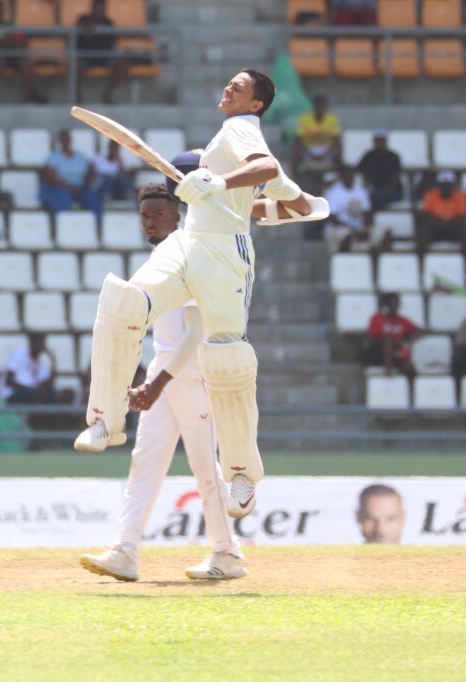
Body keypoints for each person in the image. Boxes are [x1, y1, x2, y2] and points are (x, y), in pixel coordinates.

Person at [73, 68, 327, 521]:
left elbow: (267, 169)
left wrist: (222, 185)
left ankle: (243, 476)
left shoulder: (241, 129)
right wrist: (286, 204)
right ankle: (104, 421)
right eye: (229, 83)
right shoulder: (223, 142)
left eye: (240, 87)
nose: (228, 88)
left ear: (255, 105)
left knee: (227, 359)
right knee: (125, 303)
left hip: (226, 258)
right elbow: (294, 202)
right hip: (190, 244)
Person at [79, 184, 244, 582]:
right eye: (144, 216)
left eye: (157, 214)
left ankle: (227, 554)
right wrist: (146, 378)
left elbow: (194, 331)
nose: (149, 222)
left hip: (192, 373)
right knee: (145, 462)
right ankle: (126, 551)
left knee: (205, 467)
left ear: (177, 216)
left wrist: (160, 382)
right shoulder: (158, 258)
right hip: (164, 369)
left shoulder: (189, 256)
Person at [0, 0, 41, 103]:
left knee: (25, 62)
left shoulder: (12, 24)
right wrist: (7, 40)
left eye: (0, 9)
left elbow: (20, 40)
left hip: (10, 54)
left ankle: (27, 98)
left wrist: (8, 41)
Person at [38, 130, 101, 219]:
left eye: (68, 140)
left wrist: (84, 185)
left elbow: (90, 171)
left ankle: (97, 227)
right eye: (63, 140)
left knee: (93, 198)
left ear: (71, 141)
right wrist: (69, 188)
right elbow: (51, 178)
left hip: (79, 188)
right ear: (60, 142)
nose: (66, 142)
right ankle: (60, 226)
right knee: (62, 199)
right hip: (60, 188)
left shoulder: (80, 157)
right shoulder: (54, 157)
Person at [75, 0, 128, 104]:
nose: (100, 12)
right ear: (92, 9)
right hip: (86, 58)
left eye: (102, 9)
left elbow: (112, 44)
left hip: (104, 57)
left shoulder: (109, 23)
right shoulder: (83, 20)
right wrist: (87, 28)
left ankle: (107, 95)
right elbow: (76, 40)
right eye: (98, 9)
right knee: (76, 64)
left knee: (122, 64)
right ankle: (78, 97)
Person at [292, 94, 342, 195]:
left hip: (326, 149)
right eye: (318, 106)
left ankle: (338, 182)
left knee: (339, 154)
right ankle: (295, 183)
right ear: (314, 106)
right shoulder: (304, 118)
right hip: (309, 149)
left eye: (322, 106)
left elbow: (336, 141)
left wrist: (325, 155)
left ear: (326, 107)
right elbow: (299, 140)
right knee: (294, 155)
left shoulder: (332, 119)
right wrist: (310, 154)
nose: (320, 108)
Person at [363, 293, 419, 377]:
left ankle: (410, 382)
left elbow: (418, 331)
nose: (393, 306)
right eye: (391, 303)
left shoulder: (403, 320)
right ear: (386, 305)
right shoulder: (377, 318)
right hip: (378, 352)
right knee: (388, 339)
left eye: (396, 303)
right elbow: (371, 337)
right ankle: (388, 371)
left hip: (397, 351)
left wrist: (411, 337)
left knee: (406, 351)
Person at [417, 170, 466, 257]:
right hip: (436, 230)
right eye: (444, 185)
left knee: (463, 231)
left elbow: (462, 217)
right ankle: (421, 263)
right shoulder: (430, 195)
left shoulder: (460, 196)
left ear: (453, 185)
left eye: (449, 185)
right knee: (424, 230)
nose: (446, 188)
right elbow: (426, 217)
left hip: (452, 229)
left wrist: (446, 223)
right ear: (439, 185)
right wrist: (441, 223)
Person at [324, 165, 375, 252]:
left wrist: (365, 228)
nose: (349, 177)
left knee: (380, 233)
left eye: (351, 175)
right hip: (338, 229)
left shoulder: (361, 191)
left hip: (359, 228)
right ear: (342, 177)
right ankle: (343, 260)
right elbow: (332, 218)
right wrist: (353, 231)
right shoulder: (333, 192)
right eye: (347, 175)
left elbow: (367, 212)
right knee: (347, 235)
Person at [0, 333, 57, 404]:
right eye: (39, 343)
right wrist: (29, 389)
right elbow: (9, 381)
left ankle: (40, 413)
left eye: (43, 343)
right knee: (39, 394)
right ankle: (36, 414)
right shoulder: (19, 354)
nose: (41, 346)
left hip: (34, 394)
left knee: (66, 394)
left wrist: (53, 360)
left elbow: (48, 384)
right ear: (31, 343)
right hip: (14, 393)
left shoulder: (42, 365)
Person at [356, 128, 403, 211]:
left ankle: (379, 217)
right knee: (370, 196)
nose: (379, 143)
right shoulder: (369, 156)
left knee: (378, 195)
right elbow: (359, 170)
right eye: (377, 140)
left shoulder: (393, 157)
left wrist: (385, 189)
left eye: (381, 140)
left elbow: (395, 177)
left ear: (386, 141)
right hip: (374, 190)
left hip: (393, 191)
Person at [92, 140, 134, 204]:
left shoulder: (119, 161)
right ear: (109, 146)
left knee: (123, 178)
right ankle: (106, 199)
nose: (114, 149)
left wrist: (118, 159)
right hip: (102, 186)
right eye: (113, 146)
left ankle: (128, 198)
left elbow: (121, 174)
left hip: (115, 187)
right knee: (108, 178)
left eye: (116, 147)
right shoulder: (99, 158)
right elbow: (94, 175)